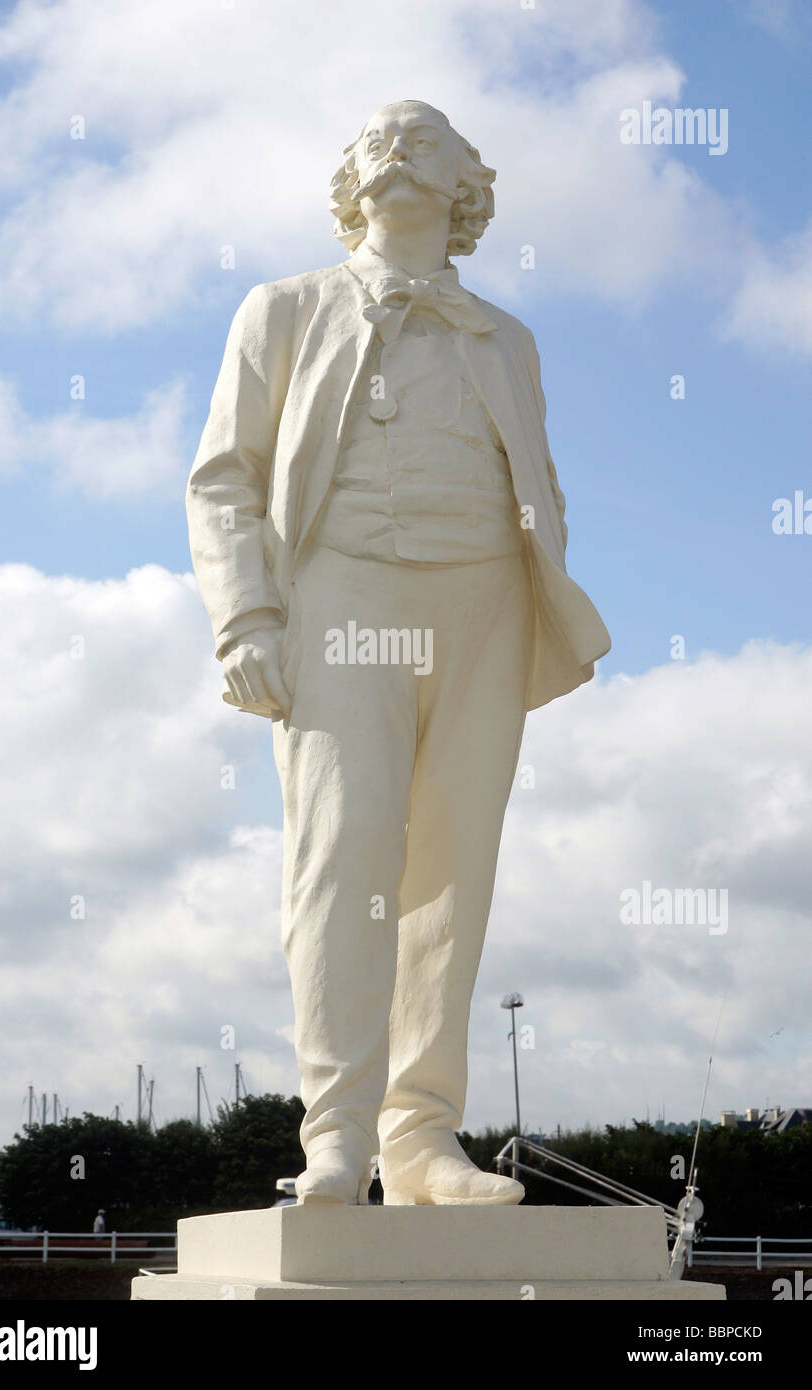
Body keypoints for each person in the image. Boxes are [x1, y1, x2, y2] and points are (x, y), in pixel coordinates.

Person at [186, 100, 610, 1206]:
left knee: (453, 873)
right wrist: (245, 618)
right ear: (351, 182)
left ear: (469, 183)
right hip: (340, 594)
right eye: (380, 139)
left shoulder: (507, 337)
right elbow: (224, 476)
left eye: (427, 139)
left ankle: (420, 1139)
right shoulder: (280, 309)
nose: (399, 149)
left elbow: (539, 481)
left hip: (484, 601)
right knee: (342, 855)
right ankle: (335, 1134)